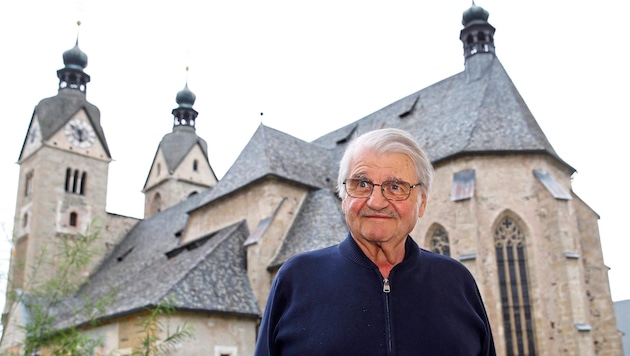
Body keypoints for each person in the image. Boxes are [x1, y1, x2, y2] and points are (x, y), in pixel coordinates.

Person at [254, 128, 496, 355]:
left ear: (422, 202)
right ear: (343, 197)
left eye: (395, 186)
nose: (376, 201)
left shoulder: (457, 281)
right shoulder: (297, 279)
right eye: (361, 184)